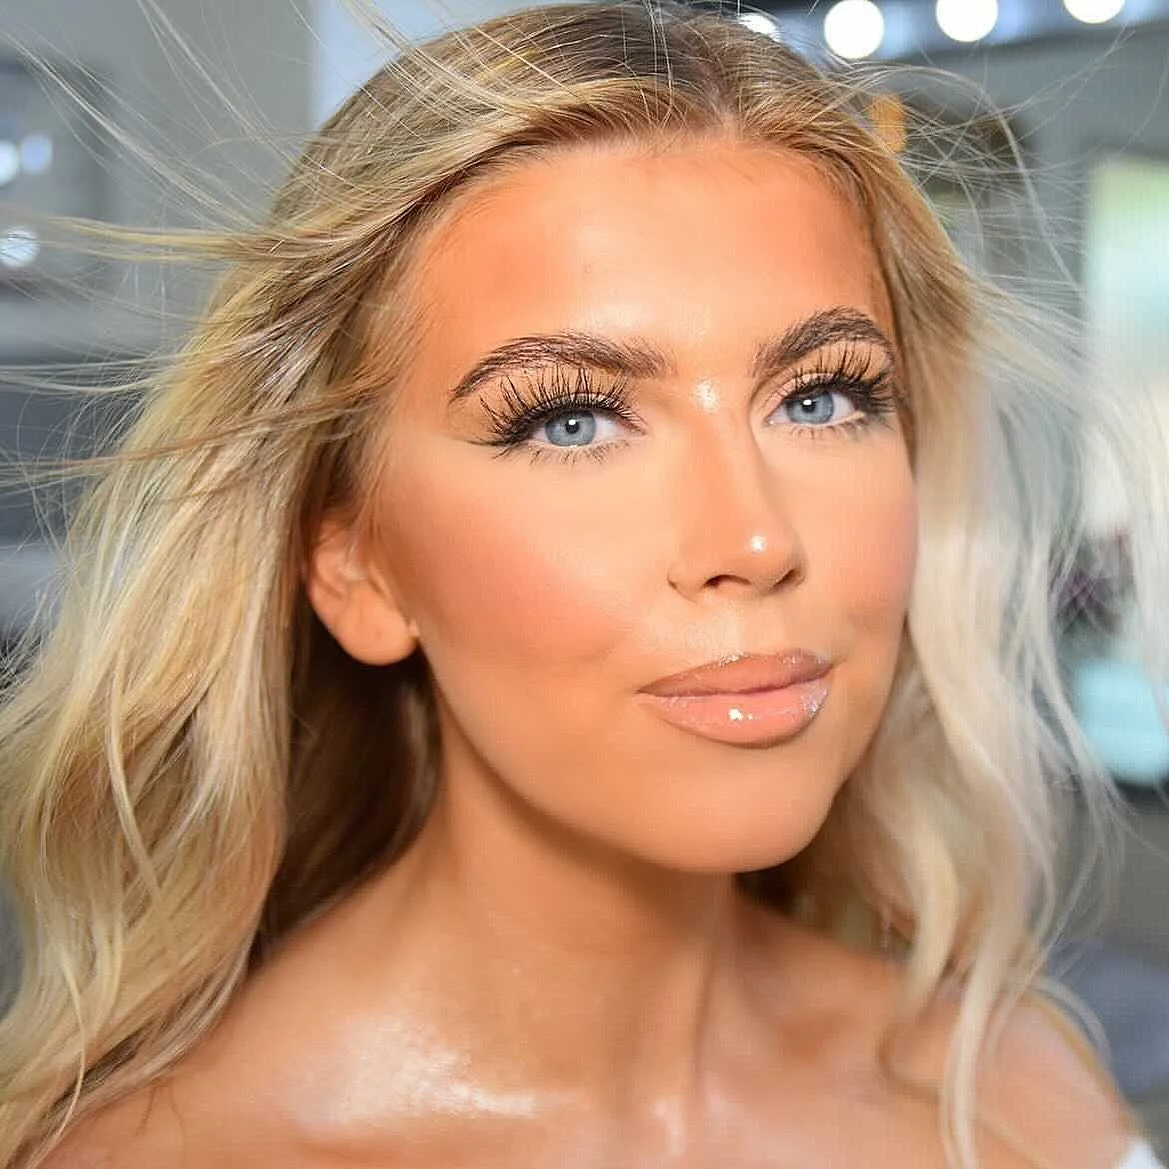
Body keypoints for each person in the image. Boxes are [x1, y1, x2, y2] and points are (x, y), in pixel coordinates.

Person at [1, 3, 1167, 1166]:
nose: (755, 538)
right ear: (354, 565)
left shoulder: (1012, 1094)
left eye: (820, 397)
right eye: (571, 419)